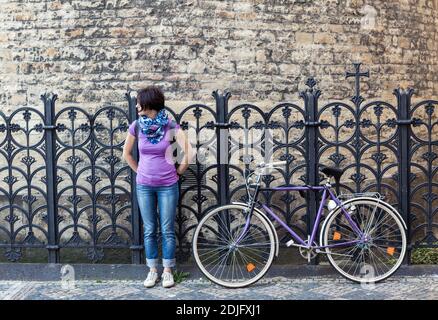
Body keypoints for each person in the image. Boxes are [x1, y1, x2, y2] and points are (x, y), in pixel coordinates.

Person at [123, 86, 194, 288]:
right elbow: (126, 153)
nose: (136, 105)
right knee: (150, 229)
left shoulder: (170, 125)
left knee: (167, 229)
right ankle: (152, 270)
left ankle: (168, 271)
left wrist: (178, 172)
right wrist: (140, 171)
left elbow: (188, 152)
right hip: (144, 186)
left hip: (167, 185)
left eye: (139, 102)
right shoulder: (136, 126)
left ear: (149, 104)